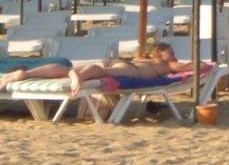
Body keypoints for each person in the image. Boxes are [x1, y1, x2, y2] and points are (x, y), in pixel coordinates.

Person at [0, 42, 194, 96]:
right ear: (158, 55)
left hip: (120, 62)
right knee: (99, 72)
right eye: (171, 52)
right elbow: (192, 65)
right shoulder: (165, 65)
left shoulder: (144, 58)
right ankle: (78, 76)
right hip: (129, 70)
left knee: (67, 68)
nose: (174, 56)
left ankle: (26, 73)